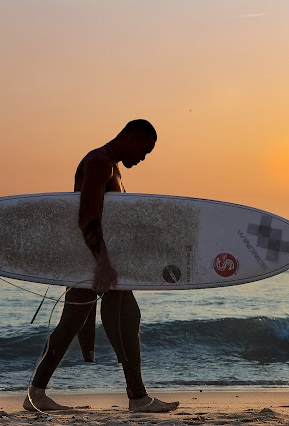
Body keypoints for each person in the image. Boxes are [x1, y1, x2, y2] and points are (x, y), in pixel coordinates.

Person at [23, 119, 179, 413]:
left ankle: (37, 393)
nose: (143, 158)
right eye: (144, 150)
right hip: (95, 260)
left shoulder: (111, 166)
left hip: (93, 260)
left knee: (79, 323)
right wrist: (104, 263)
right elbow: (88, 217)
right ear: (131, 136)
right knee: (124, 319)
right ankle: (138, 398)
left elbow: (112, 220)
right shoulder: (99, 163)